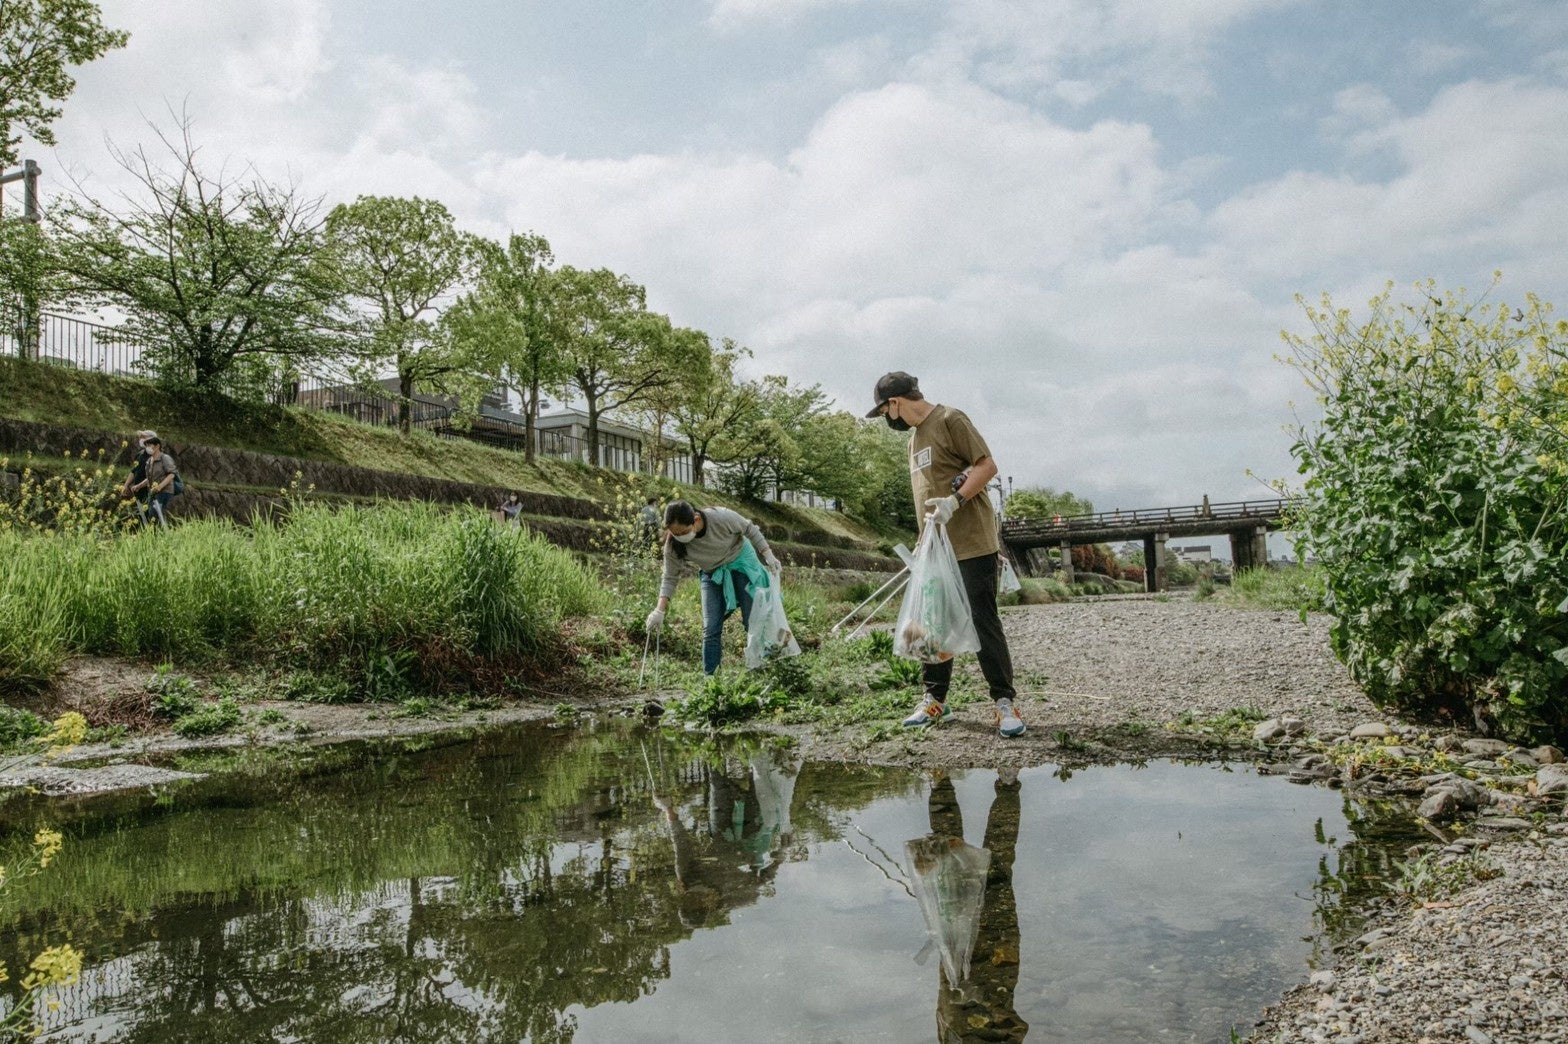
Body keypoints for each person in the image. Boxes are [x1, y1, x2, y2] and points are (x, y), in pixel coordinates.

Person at [865, 371, 1025, 737]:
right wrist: (923, 539)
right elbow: (924, 495)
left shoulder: (951, 419)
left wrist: (955, 501)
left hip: (971, 541)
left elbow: (987, 465)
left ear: (895, 403)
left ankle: (1004, 703)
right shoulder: (914, 441)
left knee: (983, 620)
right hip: (936, 547)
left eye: (886, 412)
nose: (889, 421)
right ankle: (934, 699)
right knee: (928, 622)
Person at [914, 769, 1028, 1042]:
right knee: (997, 870)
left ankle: (940, 783)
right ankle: (1007, 785)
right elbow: (1015, 1028)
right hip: (993, 956)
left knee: (948, 865)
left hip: (962, 958)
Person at [645, 500, 782, 675]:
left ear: (695, 519)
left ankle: (762, 670)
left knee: (752, 621)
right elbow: (670, 577)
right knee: (710, 628)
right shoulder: (673, 544)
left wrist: (768, 555)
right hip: (712, 573)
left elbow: (749, 528)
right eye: (675, 533)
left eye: (684, 532)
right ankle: (711, 681)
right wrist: (659, 610)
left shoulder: (720, 517)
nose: (680, 537)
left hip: (740, 562)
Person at [134, 435, 179, 528]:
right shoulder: (149, 461)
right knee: (152, 514)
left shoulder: (165, 458)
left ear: (157, 446)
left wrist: (160, 486)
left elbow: (171, 475)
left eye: (149, 445)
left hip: (164, 491)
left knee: (154, 513)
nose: (147, 448)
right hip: (153, 492)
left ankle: (162, 533)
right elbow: (149, 478)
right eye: (146, 445)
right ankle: (156, 535)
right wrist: (138, 486)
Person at [120, 429, 156, 509]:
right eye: (140, 437)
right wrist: (126, 485)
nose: (141, 439)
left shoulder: (157, 456)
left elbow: (153, 475)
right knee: (140, 514)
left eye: (143, 437)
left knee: (150, 514)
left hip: (150, 491)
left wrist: (139, 486)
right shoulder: (140, 454)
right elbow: (133, 471)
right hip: (138, 491)